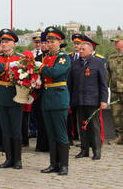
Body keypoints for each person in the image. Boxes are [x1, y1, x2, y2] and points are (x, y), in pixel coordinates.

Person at [38, 26, 71, 175]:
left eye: (53, 41)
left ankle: (64, 165)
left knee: (61, 133)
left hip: (58, 97)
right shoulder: (47, 58)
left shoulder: (63, 57)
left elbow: (55, 72)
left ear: (60, 42)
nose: (50, 44)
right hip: (47, 97)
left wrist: (41, 67)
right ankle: (53, 163)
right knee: (51, 133)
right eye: (48, 41)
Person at [0, 29, 24, 170]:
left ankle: (18, 160)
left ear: (13, 43)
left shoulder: (20, 58)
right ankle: (8, 158)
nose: (3, 44)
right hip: (1, 96)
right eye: (2, 42)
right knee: (5, 129)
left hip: (16, 95)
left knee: (16, 129)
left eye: (6, 42)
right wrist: (9, 65)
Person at [68, 42, 108, 160]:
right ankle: (84, 150)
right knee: (82, 126)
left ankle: (96, 151)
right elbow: (70, 84)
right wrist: (70, 100)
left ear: (90, 51)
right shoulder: (75, 64)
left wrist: (104, 100)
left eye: (83, 49)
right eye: (79, 49)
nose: (80, 51)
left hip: (93, 100)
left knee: (94, 127)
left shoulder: (98, 63)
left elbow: (103, 84)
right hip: (79, 100)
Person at [33, 31, 50, 152]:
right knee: (40, 118)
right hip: (39, 93)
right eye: (41, 43)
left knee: (50, 120)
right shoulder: (37, 58)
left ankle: (51, 145)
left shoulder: (54, 57)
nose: (43, 45)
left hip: (50, 92)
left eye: (45, 42)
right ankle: (41, 144)